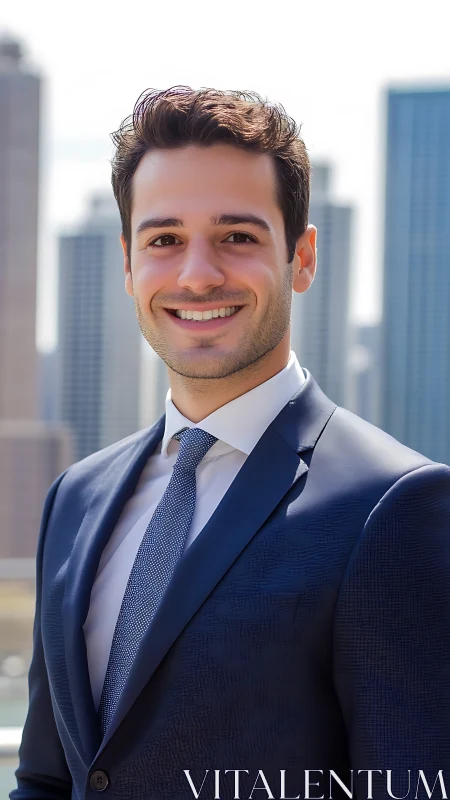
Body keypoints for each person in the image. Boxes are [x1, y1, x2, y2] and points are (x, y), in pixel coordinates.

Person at [11, 87, 450, 800]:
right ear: (127, 264)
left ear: (301, 258)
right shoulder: (76, 497)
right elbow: (47, 776)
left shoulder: (395, 506)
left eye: (238, 236)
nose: (197, 274)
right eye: (164, 240)